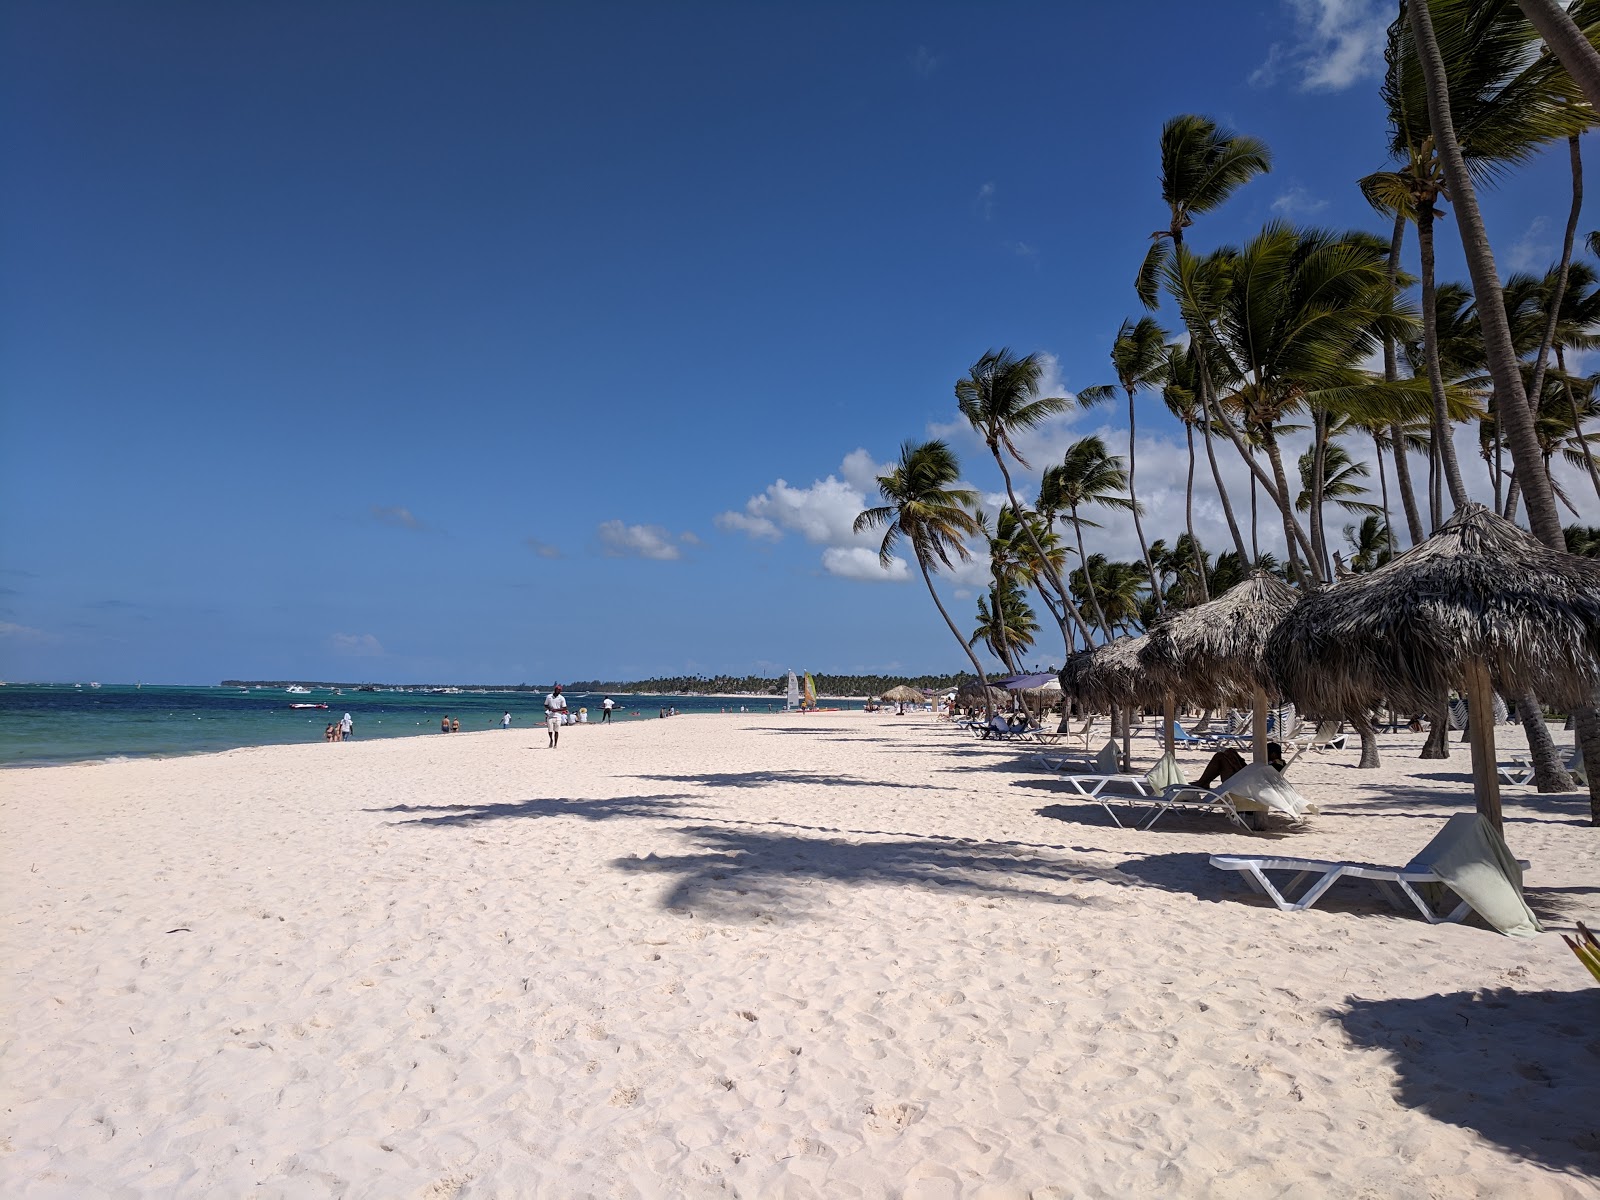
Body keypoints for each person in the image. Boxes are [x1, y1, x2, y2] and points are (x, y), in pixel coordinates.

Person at [1195, 741, 1286, 789]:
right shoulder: (1273, 763)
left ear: (1274, 754)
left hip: (1242, 784)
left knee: (1220, 757)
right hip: (1245, 779)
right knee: (1229, 752)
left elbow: (1260, 777)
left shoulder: (1277, 764)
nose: (1263, 753)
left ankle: (1203, 782)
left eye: (1266, 752)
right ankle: (1204, 782)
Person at [545, 683, 568, 748]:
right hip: (550, 716)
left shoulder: (562, 698)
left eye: (560, 690)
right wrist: (550, 708)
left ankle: (555, 743)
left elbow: (565, 708)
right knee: (550, 730)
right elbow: (545, 705)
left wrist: (557, 710)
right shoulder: (549, 697)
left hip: (558, 716)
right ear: (555, 690)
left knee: (556, 730)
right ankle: (551, 740)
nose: (558, 691)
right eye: (557, 690)